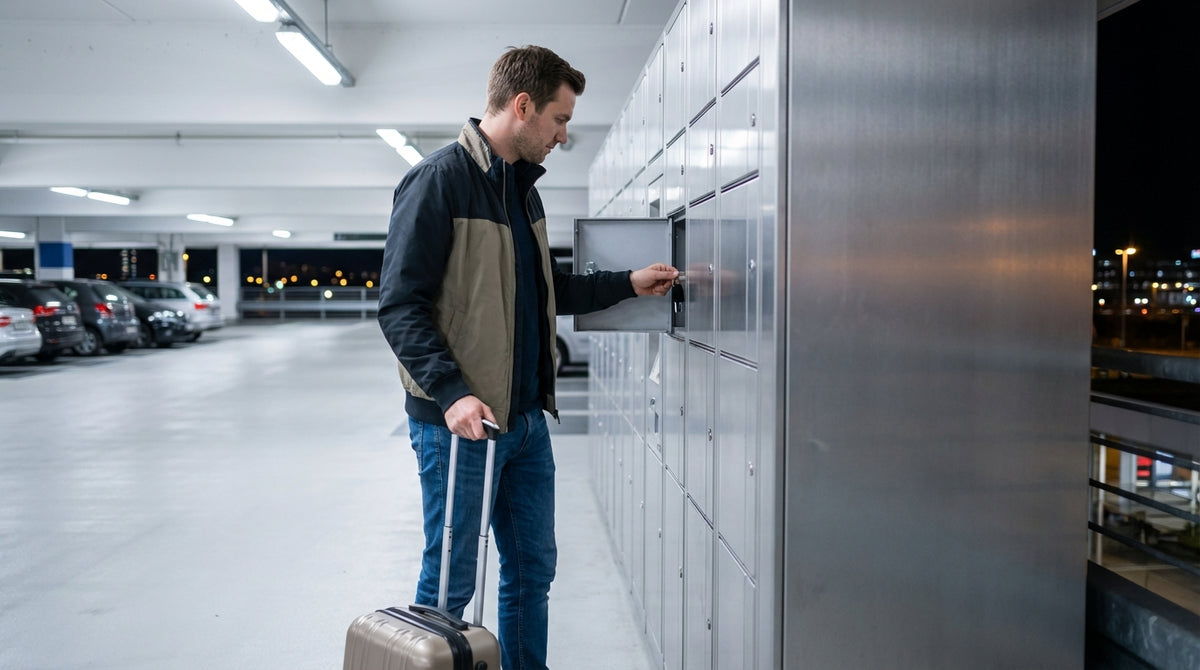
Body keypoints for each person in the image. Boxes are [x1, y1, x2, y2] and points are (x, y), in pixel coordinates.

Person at [376, 45, 678, 670]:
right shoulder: (438, 181)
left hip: (524, 425)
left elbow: (546, 289)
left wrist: (628, 282)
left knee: (532, 571)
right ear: (522, 107)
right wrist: (452, 392)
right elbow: (401, 305)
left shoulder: (524, 194)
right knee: (450, 586)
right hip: (460, 424)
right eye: (560, 120)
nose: (564, 136)